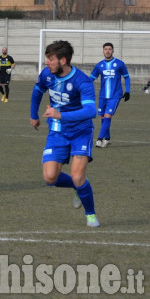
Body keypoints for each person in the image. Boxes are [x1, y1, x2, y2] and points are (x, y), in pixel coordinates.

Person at [30, 40, 99, 227]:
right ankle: (77, 187)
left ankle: (90, 214)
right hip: (57, 132)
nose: (47, 63)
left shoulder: (82, 81)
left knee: (78, 176)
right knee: (50, 178)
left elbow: (91, 111)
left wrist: (60, 114)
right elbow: (37, 92)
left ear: (63, 60)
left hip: (81, 132)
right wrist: (33, 115)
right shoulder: (47, 75)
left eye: (50, 59)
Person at [89, 42, 131, 148]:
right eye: (105, 49)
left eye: (109, 49)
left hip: (115, 95)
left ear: (113, 50)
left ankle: (99, 139)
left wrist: (128, 91)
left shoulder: (120, 64)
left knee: (108, 116)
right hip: (103, 96)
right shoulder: (99, 65)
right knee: (103, 118)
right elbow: (91, 79)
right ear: (103, 51)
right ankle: (107, 139)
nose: (107, 51)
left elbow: (126, 77)